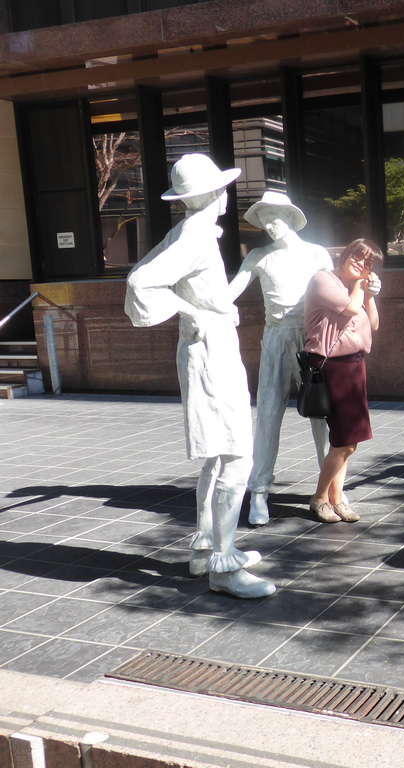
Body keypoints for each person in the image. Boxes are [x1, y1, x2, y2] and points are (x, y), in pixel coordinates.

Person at [124, 153, 274, 599]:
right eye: (221, 187)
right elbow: (141, 283)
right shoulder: (193, 235)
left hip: (207, 347)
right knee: (236, 454)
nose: (226, 193)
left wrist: (192, 313)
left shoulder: (188, 232)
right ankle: (224, 567)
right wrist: (193, 312)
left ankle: (206, 544)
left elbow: (141, 276)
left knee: (217, 451)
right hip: (210, 349)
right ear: (210, 193)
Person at [226, 191, 333, 526]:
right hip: (275, 338)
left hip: (312, 337)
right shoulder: (258, 256)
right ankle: (259, 491)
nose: (269, 224)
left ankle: (331, 487)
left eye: (274, 216)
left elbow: (337, 295)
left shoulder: (317, 254)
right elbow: (231, 292)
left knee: (323, 414)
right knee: (270, 412)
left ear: (289, 216)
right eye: (264, 219)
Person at [304, 238, 382, 523]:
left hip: (354, 365)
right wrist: (361, 287)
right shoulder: (323, 280)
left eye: (368, 262)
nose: (361, 263)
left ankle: (337, 498)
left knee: (348, 440)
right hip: (332, 365)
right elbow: (350, 309)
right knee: (344, 441)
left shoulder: (356, 290)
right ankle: (319, 498)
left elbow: (373, 324)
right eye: (357, 256)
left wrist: (370, 295)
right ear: (346, 254)